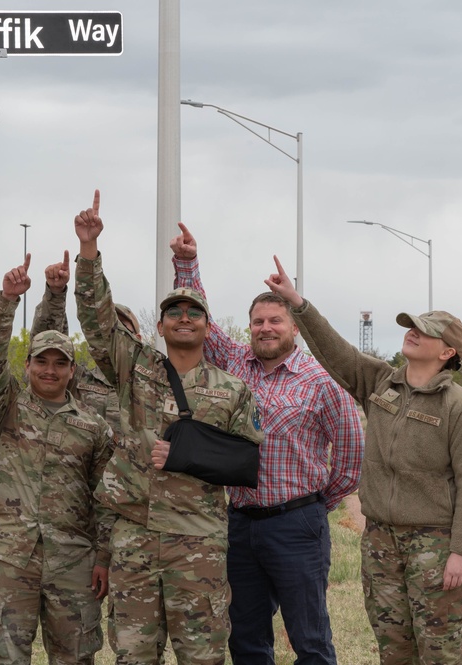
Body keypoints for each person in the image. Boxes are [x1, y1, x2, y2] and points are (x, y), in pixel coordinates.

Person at [264, 255, 462, 664]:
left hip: (434, 545)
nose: (413, 333)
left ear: (448, 352)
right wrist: (298, 303)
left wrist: (461, 550)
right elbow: (338, 353)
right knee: (394, 651)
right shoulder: (383, 383)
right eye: (412, 327)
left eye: (426, 332)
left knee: (438, 651)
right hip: (381, 541)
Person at [73, 190, 264, 665]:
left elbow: (245, 463)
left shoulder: (232, 390)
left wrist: (187, 455)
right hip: (135, 537)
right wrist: (90, 250)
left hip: (197, 542)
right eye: (174, 311)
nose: (184, 317)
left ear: (206, 324)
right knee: (134, 655)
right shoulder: (132, 367)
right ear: (158, 325)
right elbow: (97, 320)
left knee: (202, 655)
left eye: (193, 312)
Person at [170, 222, 364, 664]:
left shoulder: (322, 382)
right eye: (258, 321)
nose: (265, 328)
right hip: (238, 524)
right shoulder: (237, 363)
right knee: (246, 639)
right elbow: (205, 323)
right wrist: (187, 263)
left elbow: (352, 460)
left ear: (294, 328)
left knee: (310, 640)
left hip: (297, 526)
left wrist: (313, 505)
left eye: (275, 320)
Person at [0, 253, 116, 664]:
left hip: (72, 562)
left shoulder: (93, 427)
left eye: (60, 363)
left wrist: (103, 557)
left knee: (75, 656)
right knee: (2, 655)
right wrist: (6, 301)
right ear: (29, 365)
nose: (50, 370)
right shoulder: (6, 408)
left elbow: (105, 499)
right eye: (41, 361)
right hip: (8, 558)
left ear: (73, 370)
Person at [31, 248, 141, 433]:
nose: (112, 336)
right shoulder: (78, 379)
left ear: (137, 339)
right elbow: (48, 343)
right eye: (107, 329)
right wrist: (55, 294)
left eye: (121, 330)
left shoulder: (151, 385)